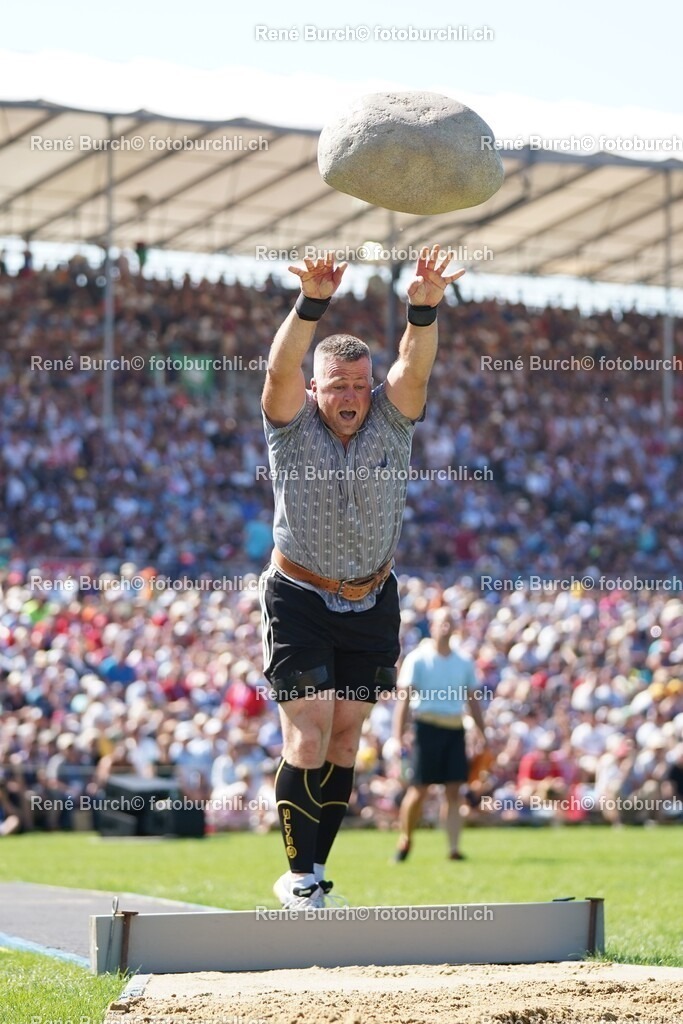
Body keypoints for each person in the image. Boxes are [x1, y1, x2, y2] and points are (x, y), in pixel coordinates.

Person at [259, 247, 465, 909]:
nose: (349, 395)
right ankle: (296, 877)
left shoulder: (391, 417)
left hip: (372, 596)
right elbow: (278, 366)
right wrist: (310, 302)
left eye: (358, 384)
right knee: (310, 733)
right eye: (336, 384)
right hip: (297, 594)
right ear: (315, 389)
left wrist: (423, 309)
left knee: (346, 739)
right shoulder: (289, 427)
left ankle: (315, 871)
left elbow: (413, 362)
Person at [392, 607, 487, 862]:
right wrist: (397, 736)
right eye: (441, 622)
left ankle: (453, 849)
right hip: (426, 728)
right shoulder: (418, 659)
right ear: (432, 626)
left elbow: (472, 700)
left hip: (454, 729)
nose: (446, 627)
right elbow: (404, 699)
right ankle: (406, 839)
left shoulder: (464, 661)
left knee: (454, 791)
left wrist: (481, 730)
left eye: (450, 622)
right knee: (419, 789)